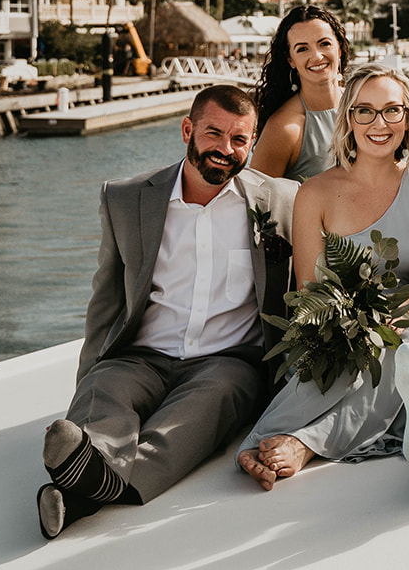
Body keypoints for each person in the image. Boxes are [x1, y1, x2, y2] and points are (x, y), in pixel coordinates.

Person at [36, 85, 297, 539]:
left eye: (239, 139)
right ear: (187, 130)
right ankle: (89, 468)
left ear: (253, 144)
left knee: (204, 409)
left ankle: (80, 489)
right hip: (141, 354)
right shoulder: (126, 198)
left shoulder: (282, 201)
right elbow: (106, 302)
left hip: (227, 363)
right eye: (213, 134)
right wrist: (86, 379)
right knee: (103, 390)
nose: (225, 149)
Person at [236, 65, 409, 499]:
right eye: (365, 112)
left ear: (408, 119)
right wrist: (354, 321)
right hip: (333, 324)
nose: (380, 124)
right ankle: (263, 443)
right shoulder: (314, 193)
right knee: (350, 346)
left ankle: (308, 444)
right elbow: (308, 288)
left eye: (392, 111)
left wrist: (396, 313)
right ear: (347, 120)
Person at [250, 5, 352, 180]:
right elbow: (257, 202)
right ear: (291, 60)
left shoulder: (361, 104)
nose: (317, 56)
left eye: (324, 43)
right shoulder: (284, 129)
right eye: (302, 49)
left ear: (339, 48)